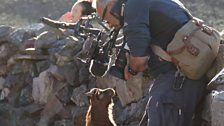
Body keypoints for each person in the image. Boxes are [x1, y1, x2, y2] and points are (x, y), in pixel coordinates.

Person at [95, 0, 207, 126]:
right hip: (187, 75)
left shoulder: (133, 7)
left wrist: (130, 69)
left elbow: (139, 61)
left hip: (175, 81)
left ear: (110, 5)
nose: (108, 25)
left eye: (105, 18)